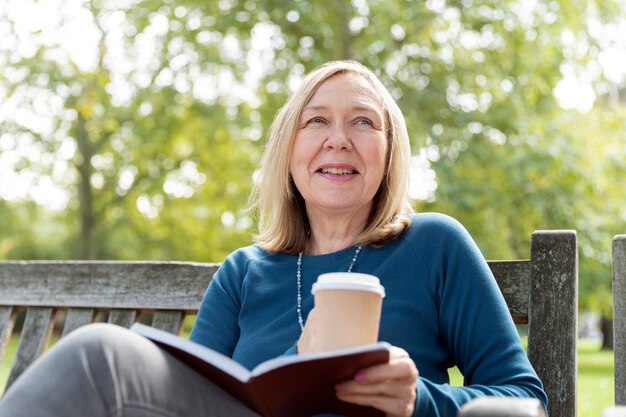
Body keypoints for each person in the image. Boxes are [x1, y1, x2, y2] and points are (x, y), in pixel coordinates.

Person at [0, 60, 546, 417]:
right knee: (106, 360)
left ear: (389, 152)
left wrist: (422, 401)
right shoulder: (244, 271)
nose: (338, 140)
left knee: (102, 353)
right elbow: (187, 398)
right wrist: (296, 361)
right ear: (290, 153)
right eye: (316, 122)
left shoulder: (435, 245)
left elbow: (525, 401)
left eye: (362, 122)